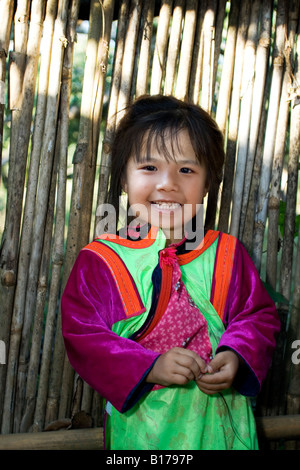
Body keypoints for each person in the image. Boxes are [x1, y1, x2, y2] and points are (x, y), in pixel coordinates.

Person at [61, 94, 280, 450]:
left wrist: (236, 355)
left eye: (186, 170)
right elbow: (83, 336)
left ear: (208, 183)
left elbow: (257, 316)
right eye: (149, 168)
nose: (167, 183)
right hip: (143, 435)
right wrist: (149, 367)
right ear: (123, 178)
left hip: (221, 429)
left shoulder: (227, 254)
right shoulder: (102, 261)